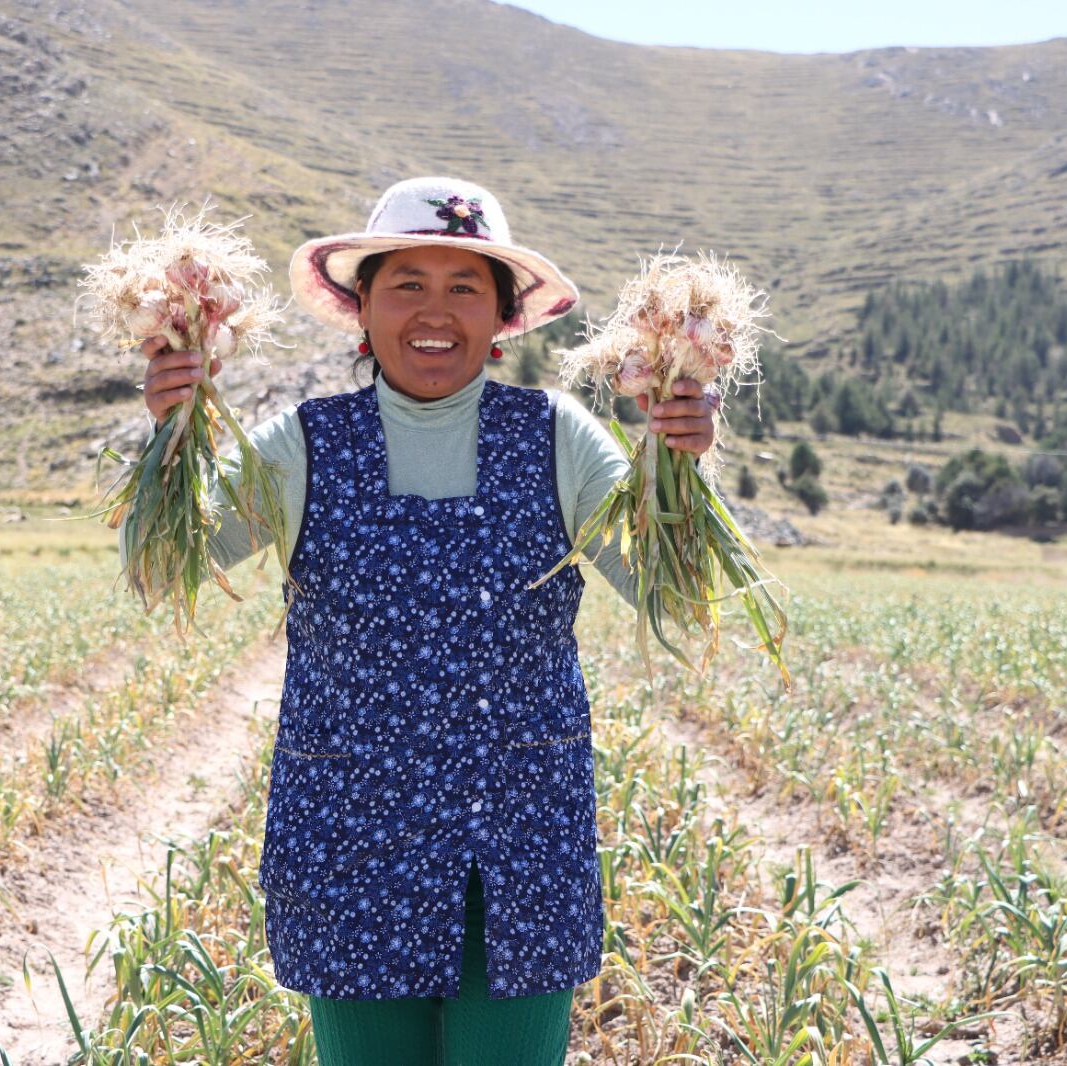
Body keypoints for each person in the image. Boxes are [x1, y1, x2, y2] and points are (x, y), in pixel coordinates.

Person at [127, 176, 719, 1065]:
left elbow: (675, 597)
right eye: (407, 283)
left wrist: (681, 469)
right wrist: (170, 434)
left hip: (520, 844)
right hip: (350, 841)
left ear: (501, 317)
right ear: (362, 307)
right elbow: (161, 568)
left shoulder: (559, 438)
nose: (433, 311)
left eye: (464, 286)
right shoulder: (302, 444)